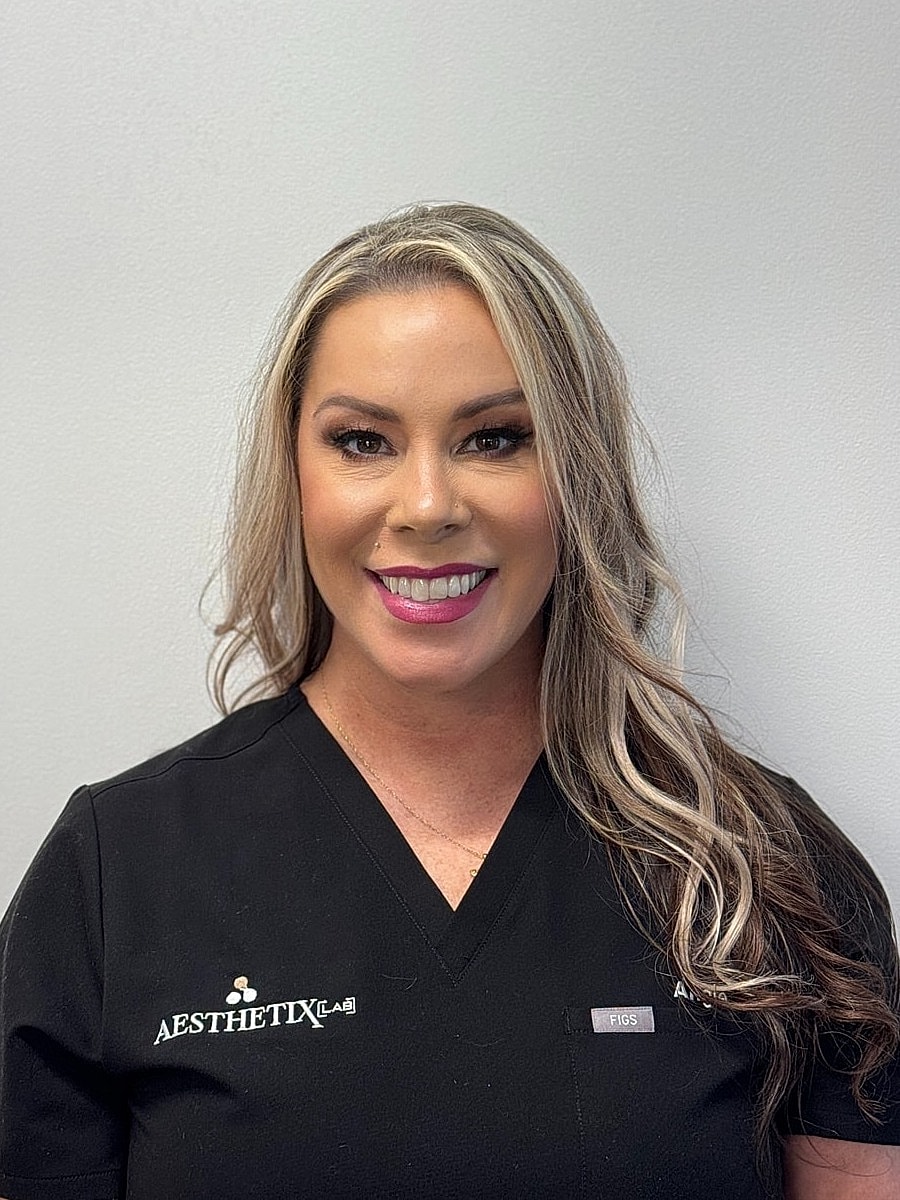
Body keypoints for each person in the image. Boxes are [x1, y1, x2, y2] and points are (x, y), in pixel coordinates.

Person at [1, 203, 898, 1200]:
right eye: (363, 442)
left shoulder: (767, 869)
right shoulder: (113, 874)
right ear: (293, 474)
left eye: (495, 437)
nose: (428, 505)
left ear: (576, 474)